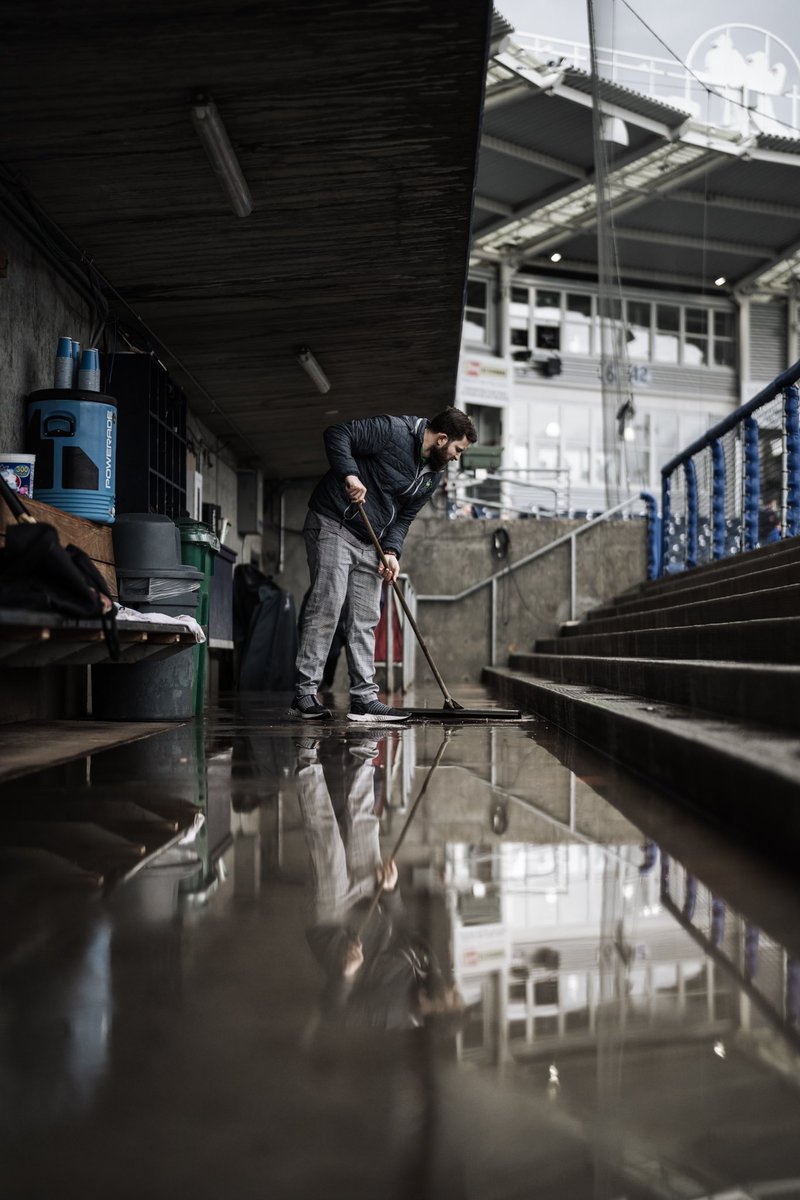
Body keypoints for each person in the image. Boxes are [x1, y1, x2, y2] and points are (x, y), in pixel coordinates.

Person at [290, 407, 477, 722]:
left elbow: (404, 517)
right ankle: (304, 694)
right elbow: (338, 433)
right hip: (335, 522)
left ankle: (364, 700)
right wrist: (350, 475)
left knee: (366, 619)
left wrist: (391, 551)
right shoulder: (394, 430)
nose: (457, 457)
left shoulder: (434, 474)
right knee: (328, 606)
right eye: (458, 449)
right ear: (442, 438)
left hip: (371, 542)